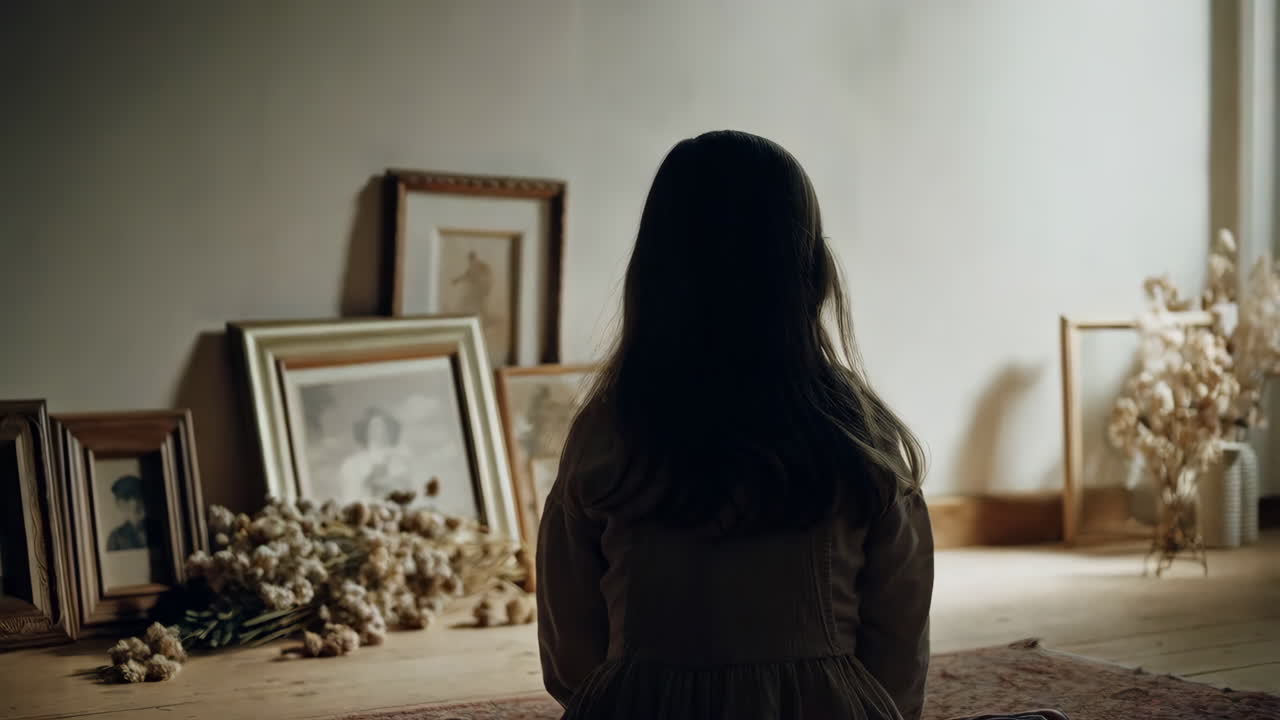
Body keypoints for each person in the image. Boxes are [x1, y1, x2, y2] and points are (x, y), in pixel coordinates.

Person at [536, 131, 1067, 720]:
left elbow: (570, 657)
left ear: (653, 273)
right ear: (812, 274)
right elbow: (898, 641)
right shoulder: (855, 430)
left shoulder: (609, 427)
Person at [339, 407, 412, 499]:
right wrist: (368, 482)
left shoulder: (400, 461)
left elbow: (406, 492)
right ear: (365, 430)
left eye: (383, 427)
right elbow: (350, 494)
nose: (379, 431)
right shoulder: (352, 463)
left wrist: (391, 483)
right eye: (374, 427)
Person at [106, 474, 148, 551]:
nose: (134, 504)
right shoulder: (116, 537)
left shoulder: (157, 530)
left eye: (138, 497)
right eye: (126, 499)